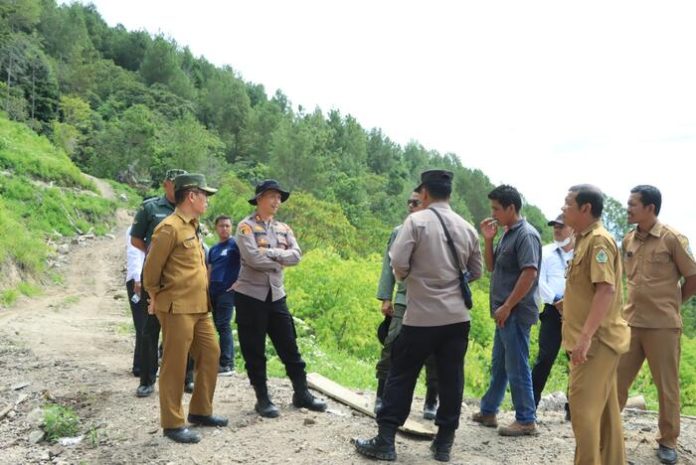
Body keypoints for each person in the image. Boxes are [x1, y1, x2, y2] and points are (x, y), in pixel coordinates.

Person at [354, 169, 483, 463]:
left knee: (401, 373)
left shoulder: (416, 221)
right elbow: (476, 272)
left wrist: (415, 279)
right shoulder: (467, 227)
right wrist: (450, 284)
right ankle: (443, 445)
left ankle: (385, 441)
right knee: (452, 378)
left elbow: (398, 262)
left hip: (421, 316)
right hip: (457, 319)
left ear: (424, 193)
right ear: (449, 194)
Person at [142, 173, 227, 444]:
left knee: (211, 354)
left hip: (200, 307)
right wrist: (155, 296)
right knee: (175, 365)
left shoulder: (193, 226)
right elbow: (150, 273)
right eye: (205, 195)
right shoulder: (169, 228)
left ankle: (201, 411)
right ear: (192, 196)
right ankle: (172, 423)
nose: (207, 201)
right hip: (177, 308)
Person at [233, 179, 327, 418]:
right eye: (272, 196)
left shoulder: (284, 228)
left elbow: (296, 256)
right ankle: (262, 398)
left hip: (276, 296)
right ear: (259, 199)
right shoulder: (245, 227)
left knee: (289, 346)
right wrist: (279, 262)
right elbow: (253, 258)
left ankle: (301, 393)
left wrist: (272, 254)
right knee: (254, 350)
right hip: (250, 296)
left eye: (279, 198)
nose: (277, 201)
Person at [617, 185, 696, 465]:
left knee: (667, 387)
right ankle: (610, 435)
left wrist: (672, 305)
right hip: (631, 323)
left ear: (650, 208)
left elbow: (692, 277)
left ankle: (668, 440)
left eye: (632, 204)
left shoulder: (672, 239)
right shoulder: (628, 240)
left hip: (663, 326)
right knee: (616, 380)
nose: (628, 208)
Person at [561, 184, 630, 465]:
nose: (563, 208)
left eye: (568, 204)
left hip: (595, 343)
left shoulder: (598, 240)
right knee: (605, 414)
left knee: (583, 412)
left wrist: (585, 337)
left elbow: (605, 290)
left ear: (585, 208)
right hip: (596, 340)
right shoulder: (584, 239)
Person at [472, 185, 542, 437]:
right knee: (499, 364)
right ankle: (489, 410)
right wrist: (488, 239)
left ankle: (526, 419)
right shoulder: (507, 233)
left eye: (496, 209)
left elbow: (530, 273)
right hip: (503, 312)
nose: (493, 213)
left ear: (511, 208)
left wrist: (508, 305)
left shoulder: (527, 235)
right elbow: (491, 266)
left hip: (515, 312)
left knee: (516, 365)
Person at [374, 190, 439, 420]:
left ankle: (432, 399)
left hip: (431, 303)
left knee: (433, 353)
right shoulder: (398, 232)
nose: (411, 206)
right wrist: (386, 297)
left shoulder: (437, 232)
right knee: (391, 345)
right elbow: (388, 267)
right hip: (403, 299)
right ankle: (381, 395)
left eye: (416, 202)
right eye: (409, 202)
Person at [130, 169, 194, 397]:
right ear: (166, 184)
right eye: (176, 184)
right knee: (150, 329)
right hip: (155, 278)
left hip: (182, 280)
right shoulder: (150, 208)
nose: (180, 189)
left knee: (185, 328)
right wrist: (156, 253)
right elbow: (136, 238)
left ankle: (187, 378)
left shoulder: (189, 208)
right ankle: (147, 380)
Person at [531, 214, 574, 413]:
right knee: (545, 358)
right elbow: (538, 281)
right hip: (551, 310)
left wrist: (570, 303)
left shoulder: (582, 253)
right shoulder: (546, 252)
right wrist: (558, 301)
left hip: (577, 313)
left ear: (573, 229)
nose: (557, 230)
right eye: (554, 227)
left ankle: (573, 408)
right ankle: (530, 406)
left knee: (576, 361)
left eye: (561, 227)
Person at [207, 215, 241, 376]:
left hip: (227, 292)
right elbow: (210, 270)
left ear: (231, 227)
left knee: (224, 325)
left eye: (227, 226)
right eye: (221, 226)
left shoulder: (236, 245)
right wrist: (205, 289)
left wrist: (239, 282)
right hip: (213, 291)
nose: (224, 229)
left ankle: (228, 364)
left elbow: (248, 261)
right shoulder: (213, 249)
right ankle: (219, 361)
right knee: (216, 326)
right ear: (216, 228)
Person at [125, 225, 146, 377]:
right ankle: (139, 365)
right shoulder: (135, 229)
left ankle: (144, 363)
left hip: (148, 280)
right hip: (138, 281)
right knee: (142, 324)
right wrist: (137, 280)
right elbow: (134, 253)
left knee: (147, 324)